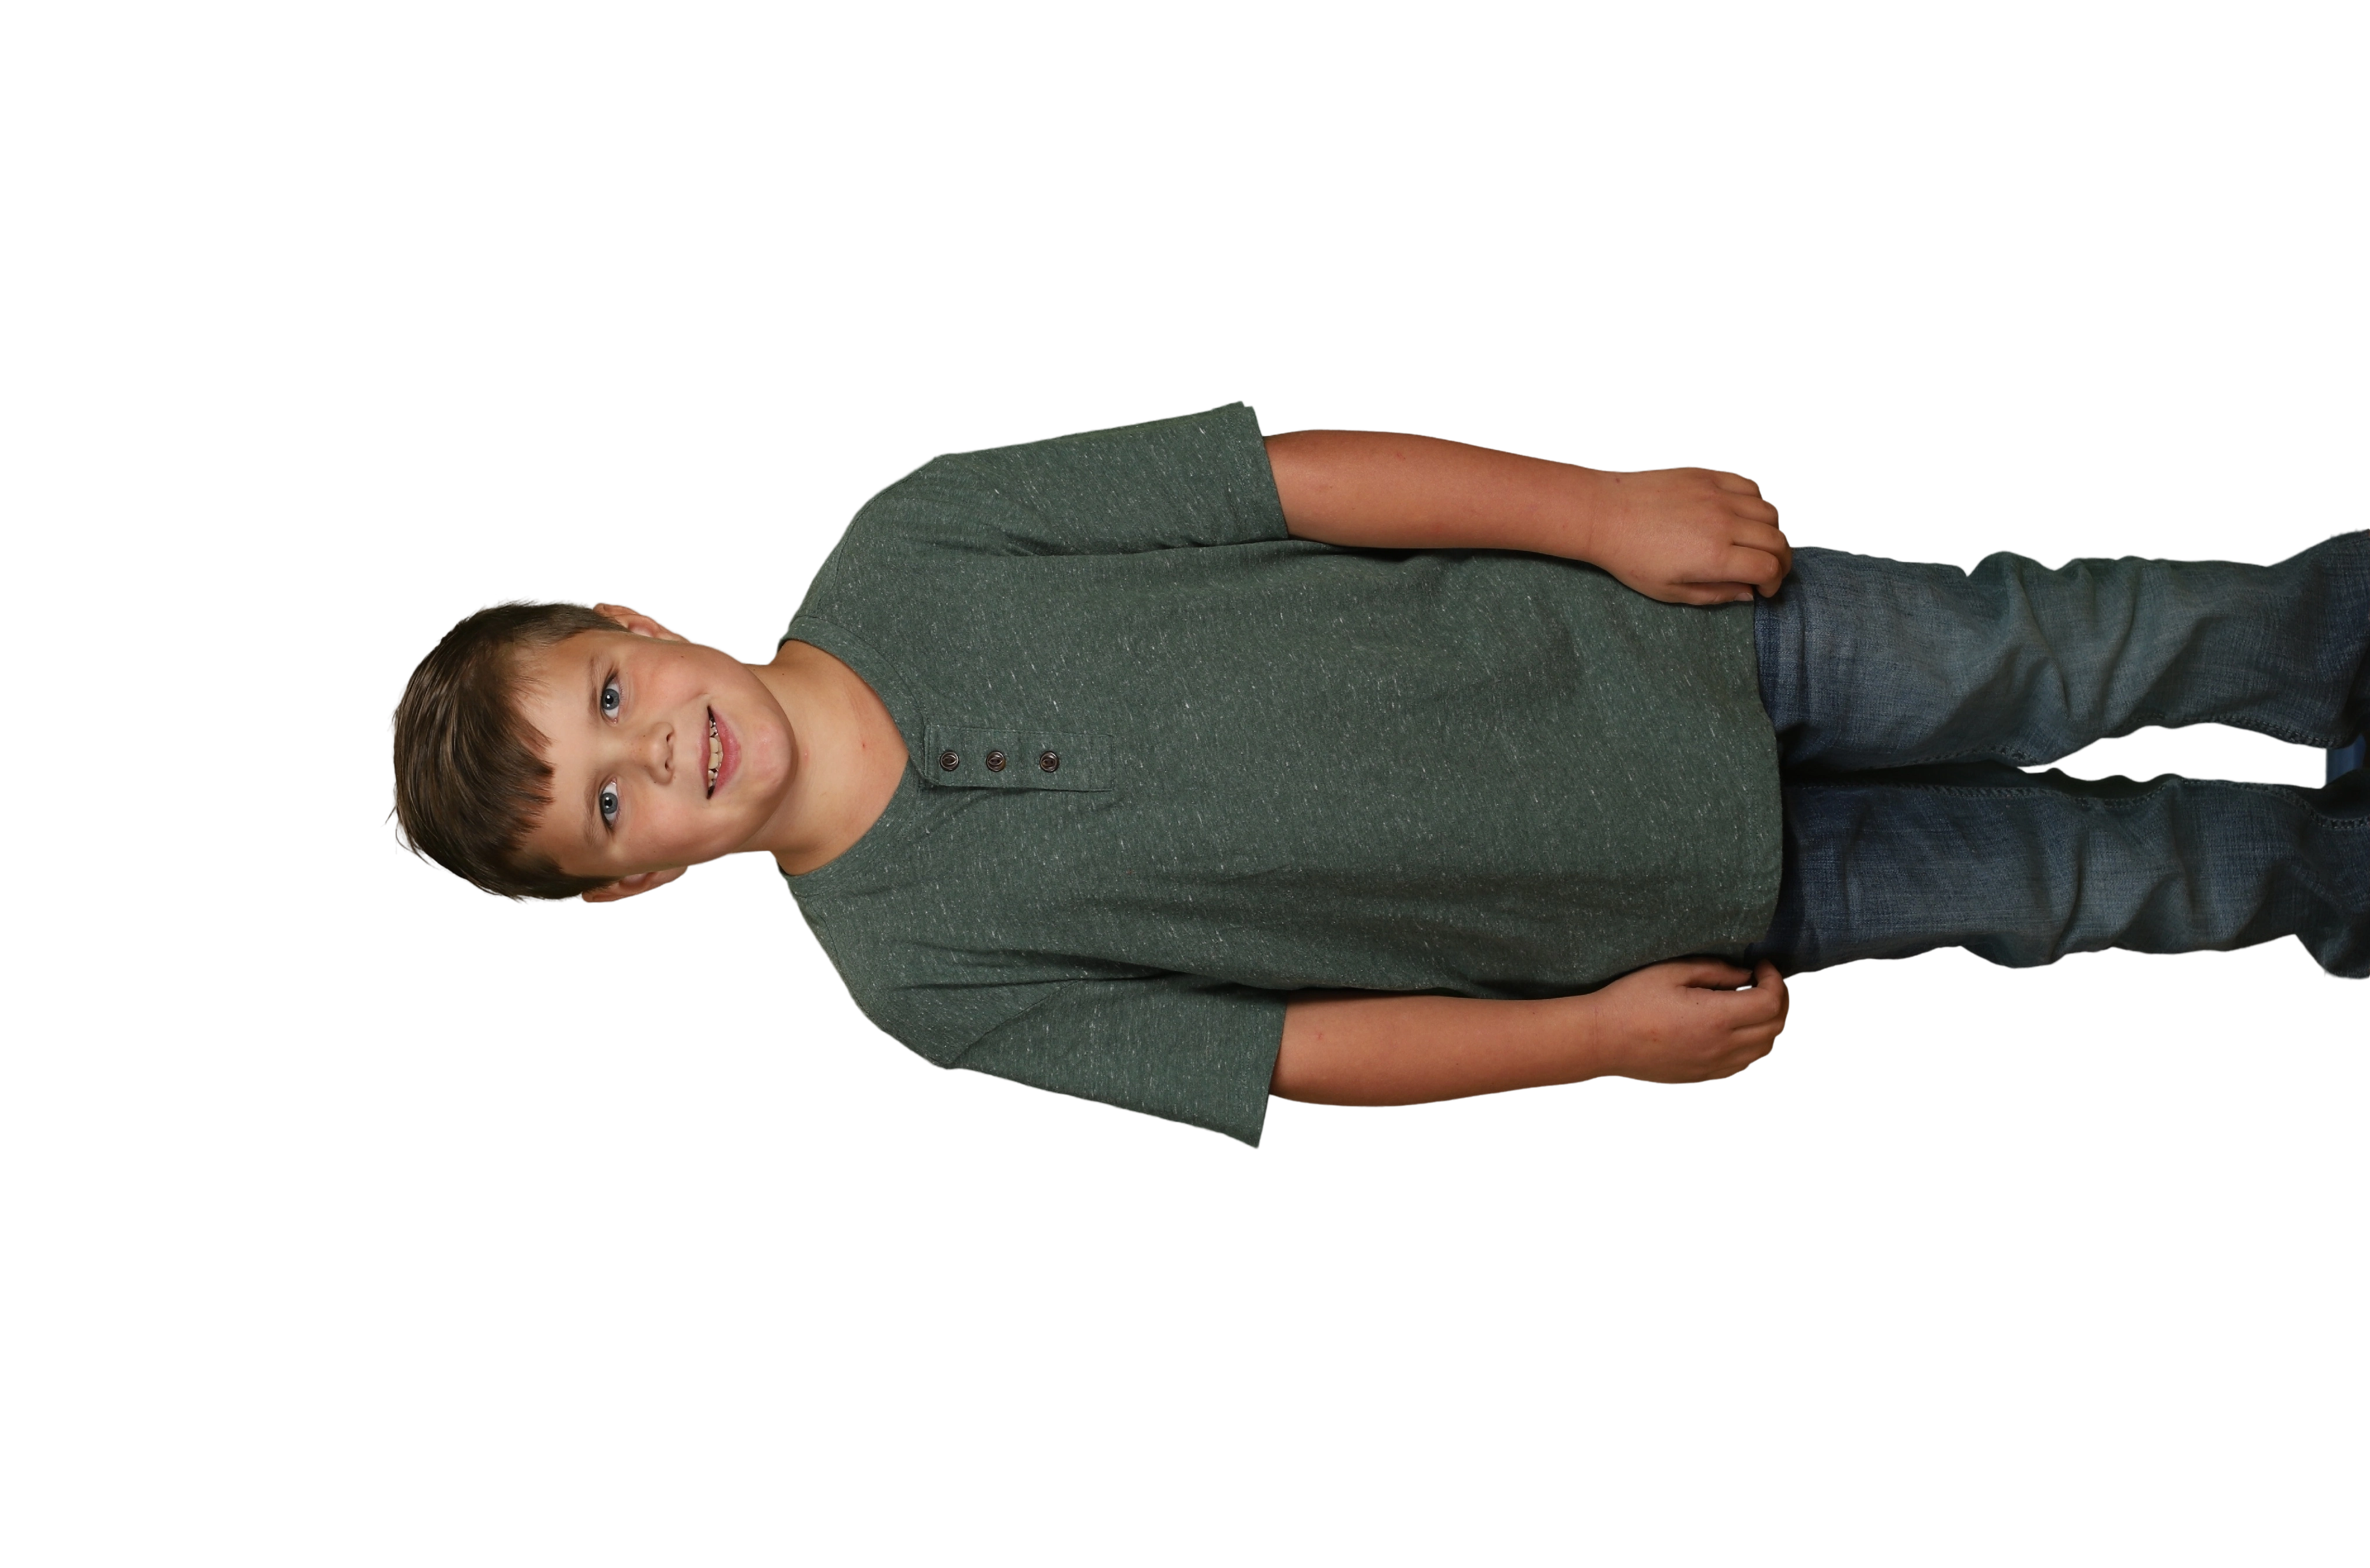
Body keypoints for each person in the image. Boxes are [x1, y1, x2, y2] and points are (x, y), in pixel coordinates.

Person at [383, 400, 2370, 1149]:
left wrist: (1599, 513)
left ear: (633, 621)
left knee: (2080, 645)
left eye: (610, 695)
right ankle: (2335, 877)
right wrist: (1594, 1038)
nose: (658, 749)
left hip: (1686, 635)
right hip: (1687, 907)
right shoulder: (920, 983)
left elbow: (1283, 484)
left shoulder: (921, 535)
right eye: (611, 802)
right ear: (636, 883)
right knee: (2095, 889)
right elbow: (1293, 1052)